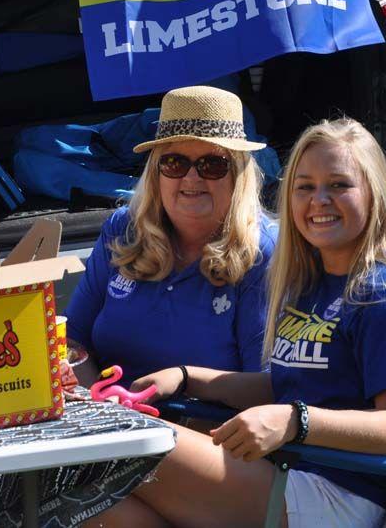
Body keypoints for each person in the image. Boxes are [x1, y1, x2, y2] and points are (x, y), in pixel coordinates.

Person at [86, 117, 386, 528]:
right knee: (102, 513)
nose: (319, 200)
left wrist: (293, 420)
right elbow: (290, 383)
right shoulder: (314, 281)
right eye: (304, 187)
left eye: (339, 185)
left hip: (334, 493)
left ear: (374, 192)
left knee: (123, 442)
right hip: (285, 470)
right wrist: (187, 377)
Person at [66, 85, 277, 387]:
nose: (191, 177)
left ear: (238, 174)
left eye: (212, 164)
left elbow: (266, 387)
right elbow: (70, 341)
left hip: (210, 417)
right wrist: (102, 401)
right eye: (174, 162)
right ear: (156, 172)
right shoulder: (122, 229)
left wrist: (182, 382)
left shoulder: (262, 252)